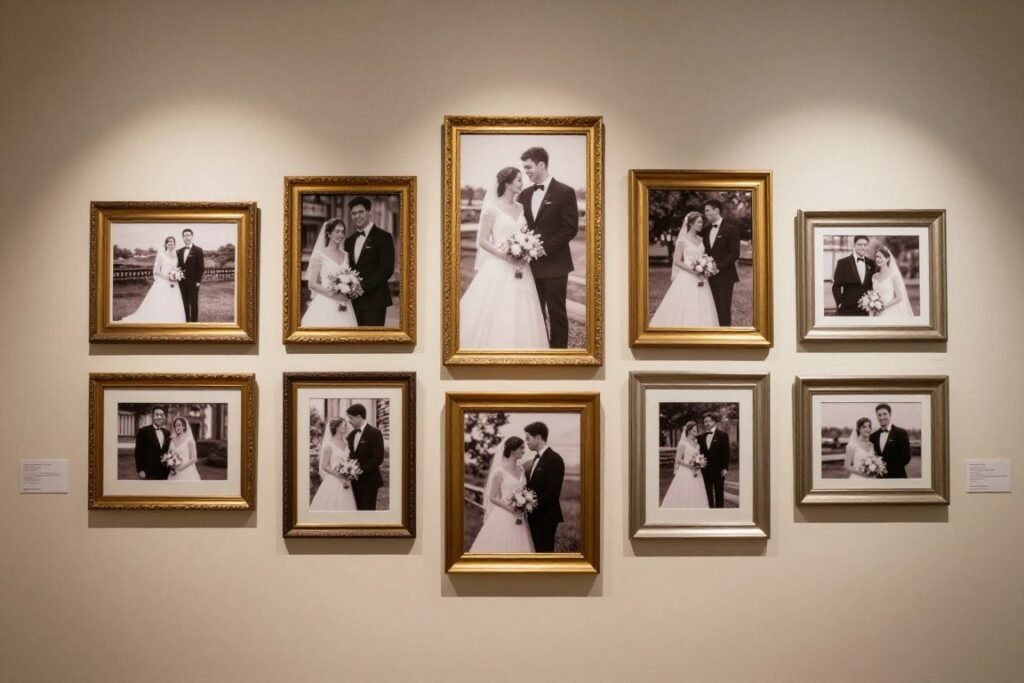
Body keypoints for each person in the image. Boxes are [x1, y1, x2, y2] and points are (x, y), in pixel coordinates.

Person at [460, 167, 549, 349]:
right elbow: (483, 241)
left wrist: (529, 248)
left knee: (523, 310)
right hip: (499, 266)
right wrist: (506, 257)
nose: (521, 183)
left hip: (522, 267)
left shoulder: (520, 207)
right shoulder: (491, 210)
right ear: (508, 184)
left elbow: (523, 234)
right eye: (518, 180)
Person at [518, 146, 581, 349]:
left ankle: (559, 355)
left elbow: (570, 228)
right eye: (524, 167)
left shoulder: (565, 192)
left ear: (541, 164)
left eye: (528, 167)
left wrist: (544, 249)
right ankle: (540, 350)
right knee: (532, 313)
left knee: (557, 313)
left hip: (556, 265)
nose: (525, 171)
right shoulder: (524, 195)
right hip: (529, 267)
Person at [649, 211, 720, 328]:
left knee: (701, 304)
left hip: (701, 277)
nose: (701, 224)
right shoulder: (682, 240)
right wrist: (694, 271)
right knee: (685, 303)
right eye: (699, 222)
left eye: (701, 222)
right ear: (691, 224)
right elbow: (677, 261)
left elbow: (704, 256)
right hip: (687, 277)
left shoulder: (701, 239)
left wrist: (705, 267)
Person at [469, 436, 535, 553]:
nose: (524, 451)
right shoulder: (500, 471)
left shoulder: (521, 469)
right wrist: (512, 508)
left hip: (520, 516)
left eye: (524, 448)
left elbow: (523, 490)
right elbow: (493, 497)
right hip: (504, 514)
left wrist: (524, 502)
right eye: (521, 448)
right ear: (513, 450)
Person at [343, 196, 396, 327]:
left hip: (375, 301)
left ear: (369, 213)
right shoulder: (349, 241)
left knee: (373, 343)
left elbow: (387, 269)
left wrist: (362, 287)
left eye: (361, 212)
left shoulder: (383, 237)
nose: (357, 216)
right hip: (353, 302)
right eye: (354, 213)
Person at [301, 218, 359, 328]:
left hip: (344, 302)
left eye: (342, 232)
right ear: (328, 234)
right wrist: (334, 294)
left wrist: (350, 288)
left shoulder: (346, 255)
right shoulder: (319, 255)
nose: (340, 235)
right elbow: (312, 283)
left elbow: (348, 277)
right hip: (326, 301)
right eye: (337, 231)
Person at [120, 236, 187, 323]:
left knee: (173, 301)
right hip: (163, 281)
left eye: (173, 242)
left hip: (174, 282)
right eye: (169, 241)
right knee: (160, 301)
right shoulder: (161, 255)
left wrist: (176, 275)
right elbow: (157, 270)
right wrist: (167, 277)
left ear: (174, 244)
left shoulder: (176, 255)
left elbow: (176, 268)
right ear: (166, 244)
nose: (171, 243)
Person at [523, 421, 565, 552]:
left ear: (538, 437)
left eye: (528, 439)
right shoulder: (537, 459)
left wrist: (529, 504)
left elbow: (553, 493)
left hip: (545, 518)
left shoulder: (554, 459)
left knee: (544, 555)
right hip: (534, 517)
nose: (527, 442)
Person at [701, 199, 741, 326]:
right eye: (705, 211)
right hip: (708, 277)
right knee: (709, 310)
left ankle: (725, 338)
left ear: (717, 210)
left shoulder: (730, 229)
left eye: (708, 210)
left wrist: (717, 268)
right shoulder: (705, 230)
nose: (706, 213)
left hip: (725, 277)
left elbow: (734, 254)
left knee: (723, 309)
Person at [310, 416, 357, 511]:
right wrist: (340, 476)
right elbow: (324, 466)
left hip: (346, 479)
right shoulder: (329, 444)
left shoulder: (346, 442)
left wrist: (349, 471)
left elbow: (347, 460)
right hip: (334, 479)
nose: (346, 426)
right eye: (344, 425)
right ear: (337, 427)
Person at [661, 421, 710, 508]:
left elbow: (698, 456)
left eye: (696, 430)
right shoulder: (683, 443)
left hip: (696, 471)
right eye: (694, 430)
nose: (696, 432)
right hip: (685, 471)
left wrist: (700, 463)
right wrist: (690, 466)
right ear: (689, 430)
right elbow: (678, 459)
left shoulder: (697, 444)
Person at [345, 403, 385, 510]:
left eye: (351, 418)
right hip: (354, 482)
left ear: (359, 417)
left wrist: (360, 470)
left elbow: (378, 458)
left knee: (368, 512)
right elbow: (350, 455)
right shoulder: (351, 435)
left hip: (369, 482)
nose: (349, 421)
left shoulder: (375, 433)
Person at [830, 235, 877, 316]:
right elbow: (836, 286)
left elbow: (873, 285)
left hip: (866, 309)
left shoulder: (871, 263)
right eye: (860, 244)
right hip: (847, 309)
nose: (863, 247)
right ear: (854, 245)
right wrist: (839, 303)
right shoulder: (843, 263)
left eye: (865, 245)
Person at [870, 403, 912, 478]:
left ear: (890, 414)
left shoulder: (901, 433)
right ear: (876, 416)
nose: (882, 417)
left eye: (884, 414)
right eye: (879, 415)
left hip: (897, 477)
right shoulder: (873, 436)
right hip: (879, 479)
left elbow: (906, 457)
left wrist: (887, 469)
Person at [872, 246, 915, 318]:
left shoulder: (893, 276)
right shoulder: (874, 276)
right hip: (875, 310)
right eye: (877, 257)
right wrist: (872, 304)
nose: (878, 259)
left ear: (887, 259)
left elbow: (899, 297)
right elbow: (873, 293)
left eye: (881, 257)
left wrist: (883, 307)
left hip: (888, 310)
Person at [699, 413, 730, 508]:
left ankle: (719, 513)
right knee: (707, 494)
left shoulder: (723, 435)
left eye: (708, 421)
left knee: (719, 493)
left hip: (718, 470)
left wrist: (725, 468)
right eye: (705, 422)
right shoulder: (701, 437)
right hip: (705, 470)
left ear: (714, 422)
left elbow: (726, 453)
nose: (706, 423)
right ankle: (710, 511)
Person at [133, 407, 170, 480]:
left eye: (161, 415)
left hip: (164, 472)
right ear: (152, 417)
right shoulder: (143, 431)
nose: (159, 417)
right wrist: (140, 470)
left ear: (164, 417)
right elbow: (138, 452)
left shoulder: (167, 433)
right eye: (157, 414)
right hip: (149, 472)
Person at [177, 228, 205, 323]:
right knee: (184, 302)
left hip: (193, 282)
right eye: (185, 236)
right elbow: (178, 266)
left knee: (193, 303)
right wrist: (177, 275)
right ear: (183, 238)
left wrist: (198, 281)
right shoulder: (179, 251)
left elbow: (201, 267)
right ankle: (186, 320)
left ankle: (194, 322)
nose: (187, 237)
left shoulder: (198, 250)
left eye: (188, 235)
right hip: (182, 282)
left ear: (192, 236)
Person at [167, 417, 201, 481]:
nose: (177, 427)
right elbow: (169, 454)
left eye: (179, 425)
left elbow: (194, 459)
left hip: (187, 471)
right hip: (174, 471)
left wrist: (180, 468)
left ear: (184, 426)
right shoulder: (172, 440)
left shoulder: (189, 440)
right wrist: (171, 464)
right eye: (176, 426)